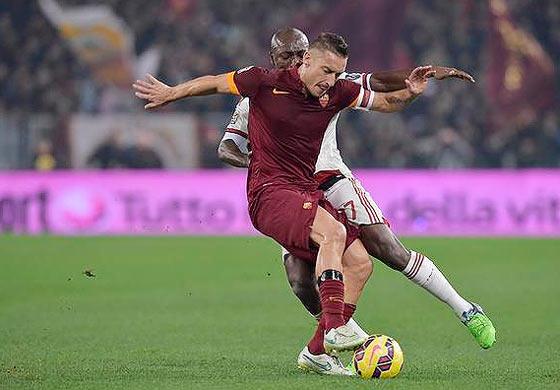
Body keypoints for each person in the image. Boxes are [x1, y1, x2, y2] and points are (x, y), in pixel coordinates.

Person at [134, 32, 440, 375]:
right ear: (306, 60)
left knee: (360, 264)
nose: (331, 81)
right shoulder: (263, 83)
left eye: (338, 74)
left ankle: (317, 352)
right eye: (326, 71)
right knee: (333, 234)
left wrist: (410, 93)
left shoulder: (336, 92)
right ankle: (336, 328)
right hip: (269, 193)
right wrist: (171, 92)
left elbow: (385, 103)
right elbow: (214, 84)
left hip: (305, 190)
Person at [219, 27, 496, 354]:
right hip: (289, 190)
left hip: (333, 178)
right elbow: (227, 147)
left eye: (299, 54)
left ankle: (465, 309)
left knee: (387, 249)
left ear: (310, 55)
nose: (293, 61)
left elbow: (376, 82)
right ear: (272, 59)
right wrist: (260, 161)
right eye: (285, 56)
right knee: (299, 279)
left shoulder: (329, 80)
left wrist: (423, 75)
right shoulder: (258, 95)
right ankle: (328, 340)